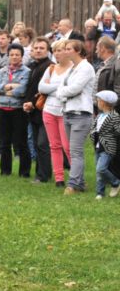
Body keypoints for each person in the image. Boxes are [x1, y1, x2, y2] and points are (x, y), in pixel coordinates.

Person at [55, 39, 96, 194]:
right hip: (68, 112)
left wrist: (62, 93)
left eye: (68, 49)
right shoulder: (72, 68)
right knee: (73, 151)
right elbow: (61, 88)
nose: (65, 51)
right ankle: (80, 183)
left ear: (78, 51)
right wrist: (63, 92)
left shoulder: (86, 67)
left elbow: (76, 88)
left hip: (81, 113)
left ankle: (72, 185)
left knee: (76, 151)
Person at [0, 43, 31, 176]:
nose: (14, 57)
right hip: (3, 109)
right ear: (8, 56)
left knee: (21, 142)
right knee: (4, 142)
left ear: (22, 56)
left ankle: (24, 172)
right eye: (12, 54)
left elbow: (22, 90)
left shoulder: (27, 71)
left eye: (17, 55)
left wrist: (5, 89)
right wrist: (8, 86)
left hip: (18, 109)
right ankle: (5, 171)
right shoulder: (2, 71)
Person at [38, 40, 73, 187]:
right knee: (54, 146)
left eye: (59, 50)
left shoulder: (74, 69)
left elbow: (71, 88)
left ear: (67, 51)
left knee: (67, 146)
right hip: (49, 110)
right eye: (55, 51)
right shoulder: (51, 68)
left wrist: (51, 87)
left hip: (65, 111)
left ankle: (75, 177)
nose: (56, 54)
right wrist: (59, 87)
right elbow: (41, 88)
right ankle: (59, 178)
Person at [22, 37, 53, 183]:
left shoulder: (50, 66)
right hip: (33, 111)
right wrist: (27, 103)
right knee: (36, 144)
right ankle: (40, 174)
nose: (38, 50)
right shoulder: (33, 66)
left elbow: (45, 91)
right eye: (36, 48)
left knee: (42, 144)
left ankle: (43, 175)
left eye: (42, 48)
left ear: (47, 51)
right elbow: (31, 88)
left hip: (46, 110)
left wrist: (32, 103)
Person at [92, 90, 120, 199]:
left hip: (108, 147)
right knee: (99, 172)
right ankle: (100, 192)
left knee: (101, 169)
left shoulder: (114, 116)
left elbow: (118, 131)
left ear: (104, 102)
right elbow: (95, 128)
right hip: (98, 146)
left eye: (98, 100)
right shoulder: (100, 116)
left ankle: (116, 182)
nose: (97, 102)